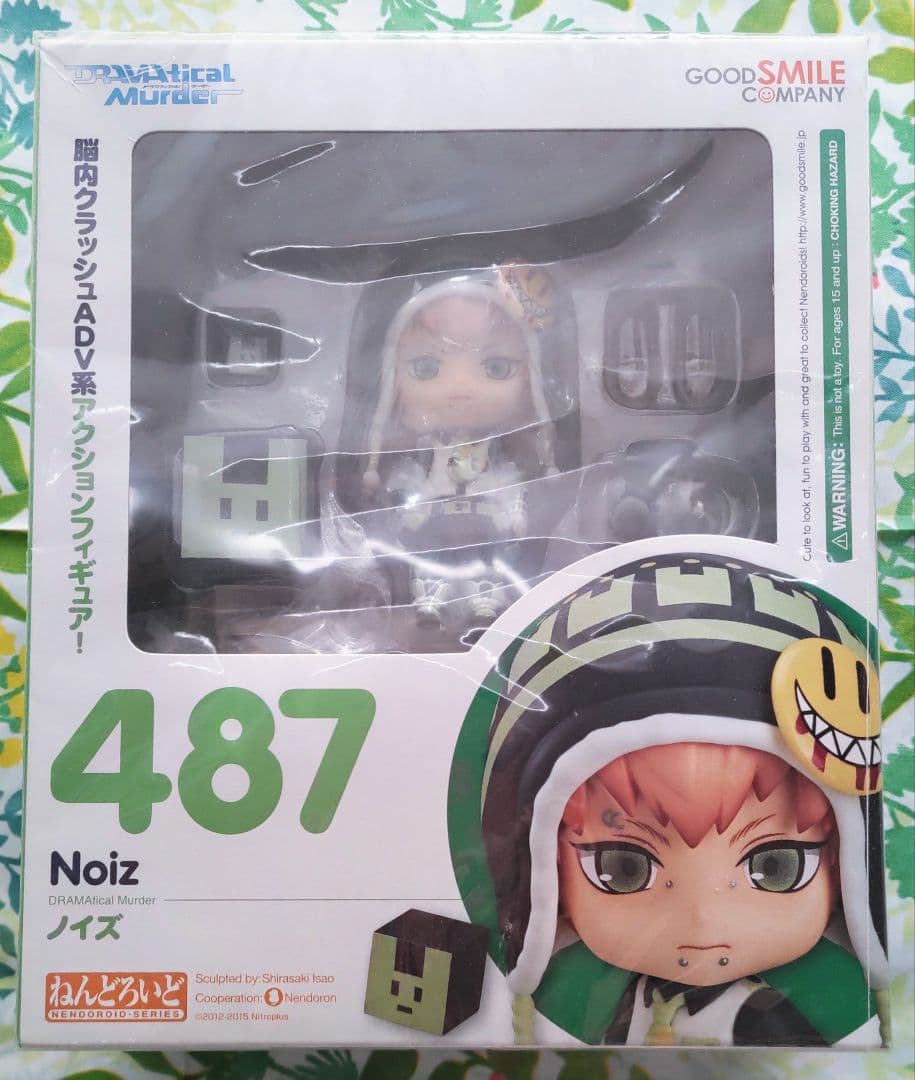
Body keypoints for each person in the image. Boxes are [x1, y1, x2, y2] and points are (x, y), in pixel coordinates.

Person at [468, 553, 888, 1047]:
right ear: (539, 877)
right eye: (622, 868)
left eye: (776, 866)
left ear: (849, 866)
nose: (702, 920)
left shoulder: (780, 1015)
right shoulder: (607, 1004)